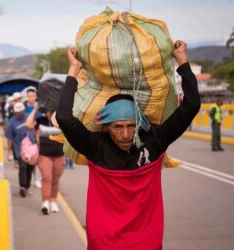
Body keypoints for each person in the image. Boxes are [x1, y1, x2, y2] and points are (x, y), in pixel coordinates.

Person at [56, 41, 201, 249]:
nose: (125, 134)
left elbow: (192, 104)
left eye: (132, 126)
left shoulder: (155, 140)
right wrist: (74, 68)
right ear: (105, 126)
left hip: (146, 241)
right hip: (105, 241)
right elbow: (62, 116)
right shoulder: (95, 145)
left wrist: (182, 60)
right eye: (117, 127)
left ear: (140, 124)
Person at [26, 104, 65, 215]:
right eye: (49, 111)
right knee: (47, 177)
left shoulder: (62, 121)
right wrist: (35, 109)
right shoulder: (41, 121)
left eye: (54, 111)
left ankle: (53, 200)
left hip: (59, 155)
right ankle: (45, 202)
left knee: (55, 179)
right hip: (44, 155)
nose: (51, 114)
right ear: (46, 112)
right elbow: (28, 125)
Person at [6, 102, 35, 197]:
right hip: (19, 149)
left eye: (21, 112)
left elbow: (36, 130)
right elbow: (10, 139)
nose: (20, 115)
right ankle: (22, 186)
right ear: (14, 112)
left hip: (31, 149)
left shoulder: (29, 117)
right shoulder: (11, 122)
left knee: (30, 168)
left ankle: (27, 186)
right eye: (18, 113)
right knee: (23, 167)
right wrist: (9, 152)